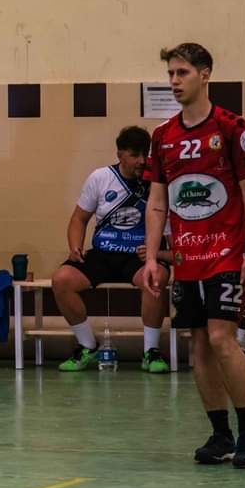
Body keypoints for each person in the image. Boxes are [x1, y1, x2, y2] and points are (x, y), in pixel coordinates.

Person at [143, 42, 245, 468]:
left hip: (227, 252)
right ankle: (221, 435)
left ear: (205, 74)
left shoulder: (233, 128)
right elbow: (157, 201)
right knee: (197, 345)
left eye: (182, 73)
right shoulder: (162, 138)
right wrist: (151, 259)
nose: (175, 82)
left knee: (220, 337)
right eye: (171, 75)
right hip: (187, 257)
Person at [51, 126, 172, 373]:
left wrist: (157, 255)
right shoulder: (100, 177)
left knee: (156, 278)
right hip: (104, 254)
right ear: (120, 154)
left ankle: (151, 351)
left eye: (145, 155)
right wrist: (74, 245)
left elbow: (171, 232)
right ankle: (88, 346)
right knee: (62, 280)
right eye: (135, 155)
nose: (141, 161)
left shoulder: (157, 183)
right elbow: (79, 219)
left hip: (140, 257)